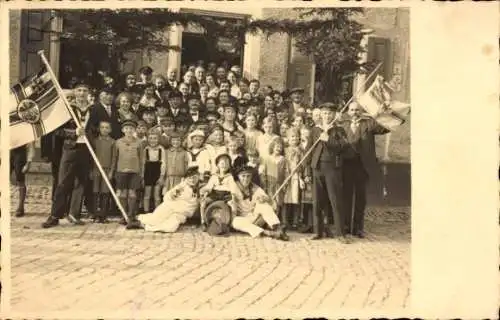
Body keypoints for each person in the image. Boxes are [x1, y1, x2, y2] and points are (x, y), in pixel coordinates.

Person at [42, 81, 93, 228]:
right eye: (79, 90)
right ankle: (55, 216)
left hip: (87, 150)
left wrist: (89, 133)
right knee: (63, 183)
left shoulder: (93, 110)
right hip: (71, 150)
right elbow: (57, 131)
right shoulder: (67, 110)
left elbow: (96, 129)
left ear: (88, 93)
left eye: (84, 90)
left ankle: (73, 214)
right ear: (75, 92)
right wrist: (73, 133)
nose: (82, 93)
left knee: (81, 183)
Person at [340, 101, 390, 238]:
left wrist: (382, 113)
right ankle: (345, 226)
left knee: (360, 198)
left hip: (363, 166)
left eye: (357, 110)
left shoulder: (368, 124)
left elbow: (385, 128)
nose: (354, 112)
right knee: (346, 197)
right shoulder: (342, 125)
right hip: (346, 165)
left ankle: (358, 228)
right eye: (352, 110)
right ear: (348, 112)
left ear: (361, 112)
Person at [310, 102, 350, 243]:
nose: (327, 116)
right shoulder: (315, 130)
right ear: (320, 115)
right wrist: (306, 171)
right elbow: (309, 151)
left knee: (335, 200)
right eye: (324, 113)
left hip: (333, 168)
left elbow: (343, 147)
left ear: (334, 114)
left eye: (330, 113)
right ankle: (318, 231)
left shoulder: (339, 131)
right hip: (317, 168)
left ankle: (340, 233)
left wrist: (329, 140)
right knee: (317, 201)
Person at [230, 165, 289, 241]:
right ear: (238, 176)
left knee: (263, 205)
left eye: (248, 176)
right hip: (242, 219)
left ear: (251, 177)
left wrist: (267, 199)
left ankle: (277, 228)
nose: (246, 179)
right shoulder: (233, 187)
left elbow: (273, 204)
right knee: (235, 222)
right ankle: (269, 233)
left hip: (255, 218)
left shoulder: (255, 188)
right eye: (243, 176)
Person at [138, 166, 201, 232]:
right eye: (190, 178)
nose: (192, 180)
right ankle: (138, 219)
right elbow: (169, 197)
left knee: (170, 228)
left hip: (178, 214)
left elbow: (191, 206)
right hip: (169, 208)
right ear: (186, 179)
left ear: (198, 178)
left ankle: (146, 226)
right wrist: (175, 194)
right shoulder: (182, 187)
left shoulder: (198, 189)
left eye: (195, 178)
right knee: (153, 220)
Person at [113, 120, 143, 229]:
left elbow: (141, 159)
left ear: (134, 130)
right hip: (121, 171)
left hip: (134, 172)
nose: (129, 130)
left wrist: (141, 173)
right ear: (123, 130)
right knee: (122, 194)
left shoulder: (139, 142)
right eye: (126, 128)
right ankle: (123, 215)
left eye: (131, 128)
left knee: (132, 194)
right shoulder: (118, 142)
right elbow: (114, 158)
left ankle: (131, 215)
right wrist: (113, 171)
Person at [199, 153, 239, 229]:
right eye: (222, 163)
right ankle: (203, 222)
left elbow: (233, 188)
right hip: (215, 194)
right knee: (203, 203)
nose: (224, 165)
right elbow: (209, 187)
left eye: (227, 163)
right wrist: (205, 193)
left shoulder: (230, 177)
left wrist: (233, 197)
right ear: (218, 165)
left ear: (229, 165)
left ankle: (231, 224)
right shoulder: (214, 176)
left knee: (233, 206)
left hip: (226, 195)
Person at [91, 120, 116, 223]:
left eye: (107, 127)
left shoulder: (112, 142)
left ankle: (103, 215)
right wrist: (91, 170)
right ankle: (95, 214)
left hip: (107, 169)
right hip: (96, 169)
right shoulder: (95, 141)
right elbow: (92, 157)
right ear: (99, 129)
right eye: (102, 127)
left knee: (105, 192)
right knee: (96, 192)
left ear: (110, 130)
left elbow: (114, 158)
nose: (104, 129)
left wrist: (111, 171)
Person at [283, 127, 305, 230]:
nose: (294, 138)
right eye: (292, 137)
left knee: (296, 199)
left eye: (296, 136)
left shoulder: (301, 151)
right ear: (287, 138)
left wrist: (300, 177)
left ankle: (296, 221)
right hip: (287, 176)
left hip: (296, 176)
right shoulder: (285, 150)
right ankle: (285, 221)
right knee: (286, 199)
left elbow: (302, 165)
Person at [142, 130, 167, 213]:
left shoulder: (161, 149)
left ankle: (157, 212)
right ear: (148, 139)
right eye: (151, 138)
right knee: (147, 195)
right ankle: (146, 212)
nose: (153, 140)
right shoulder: (146, 149)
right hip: (148, 173)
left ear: (158, 139)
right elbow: (143, 164)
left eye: (155, 138)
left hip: (157, 172)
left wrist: (162, 176)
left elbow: (163, 163)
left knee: (157, 195)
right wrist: (142, 176)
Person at [10, 142, 35, 217]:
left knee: (20, 180)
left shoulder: (26, 130)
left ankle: (20, 207)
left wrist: (28, 163)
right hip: (6, 151)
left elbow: (31, 145)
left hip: (20, 153)